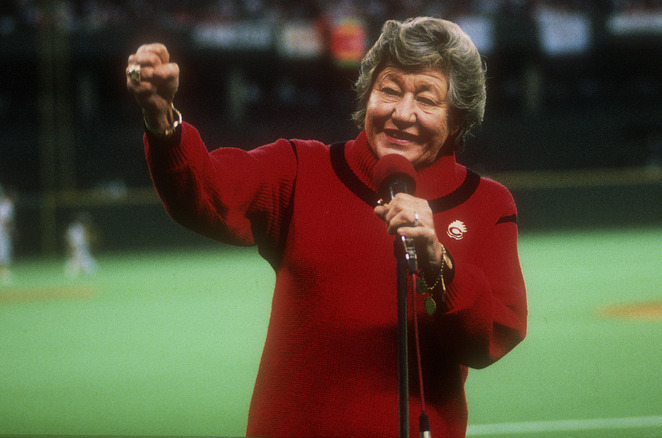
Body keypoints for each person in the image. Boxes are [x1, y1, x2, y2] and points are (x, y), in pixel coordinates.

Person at [126, 17, 527, 437]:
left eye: (426, 99)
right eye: (389, 90)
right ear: (367, 95)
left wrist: (437, 259)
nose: (401, 113)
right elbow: (206, 192)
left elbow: (493, 337)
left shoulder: (487, 204)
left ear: (458, 119)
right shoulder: (300, 169)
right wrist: (163, 123)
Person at [64, 212, 98, 278]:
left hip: (83, 254)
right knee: (73, 271)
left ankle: (77, 268)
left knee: (92, 269)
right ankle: (74, 269)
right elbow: (72, 243)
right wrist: (73, 253)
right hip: (76, 252)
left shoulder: (81, 228)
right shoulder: (75, 229)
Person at [0, 185, 15, 284]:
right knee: (4, 251)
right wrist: (10, 230)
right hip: (2, 231)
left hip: (3, 231)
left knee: (4, 250)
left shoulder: (4, 204)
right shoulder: (6, 205)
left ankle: (4, 271)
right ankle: (4, 272)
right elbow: (6, 220)